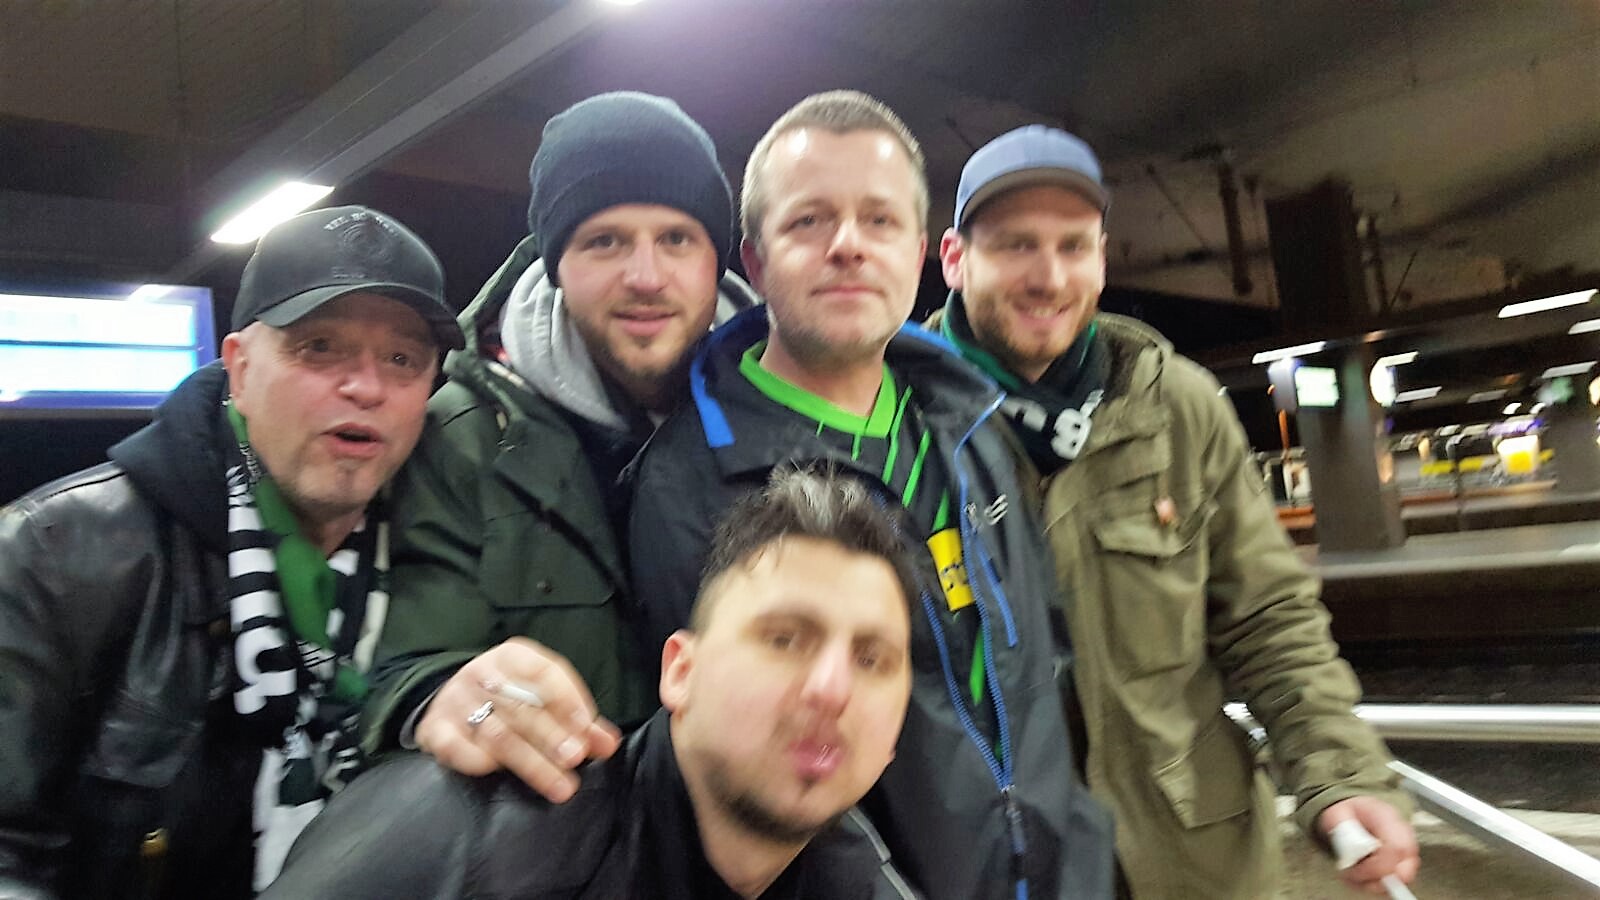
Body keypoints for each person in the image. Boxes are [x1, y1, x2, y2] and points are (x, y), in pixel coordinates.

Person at [628, 90, 1114, 900]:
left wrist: (1081, 865)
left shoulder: (973, 431)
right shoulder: (693, 481)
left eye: (879, 220)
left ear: (919, 253)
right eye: (809, 220)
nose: (848, 245)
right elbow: (731, 782)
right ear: (756, 262)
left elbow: (1041, 674)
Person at [934, 124, 1419, 898]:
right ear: (955, 259)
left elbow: (1268, 617)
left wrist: (1340, 773)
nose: (1049, 276)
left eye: (1073, 246)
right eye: (1017, 245)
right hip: (997, 867)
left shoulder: (1177, 407)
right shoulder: (903, 419)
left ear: (1102, 258)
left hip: (1192, 861)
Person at [0, 205, 462, 899]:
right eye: (319, 347)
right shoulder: (61, 552)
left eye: (403, 359)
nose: (367, 387)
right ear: (240, 370)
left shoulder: (448, 551)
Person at [263, 467, 921, 899]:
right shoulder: (455, 839)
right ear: (680, 672)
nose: (832, 688)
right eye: (784, 639)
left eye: (873, 660)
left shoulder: (869, 887)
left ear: (894, 734)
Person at [360, 91, 759, 803]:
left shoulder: (784, 417)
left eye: (677, 238)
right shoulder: (462, 437)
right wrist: (446, 696)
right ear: (555, 264)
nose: (646, 276)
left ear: (716, 261)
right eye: (605, 240)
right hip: (564, 834)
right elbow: (407, 670)